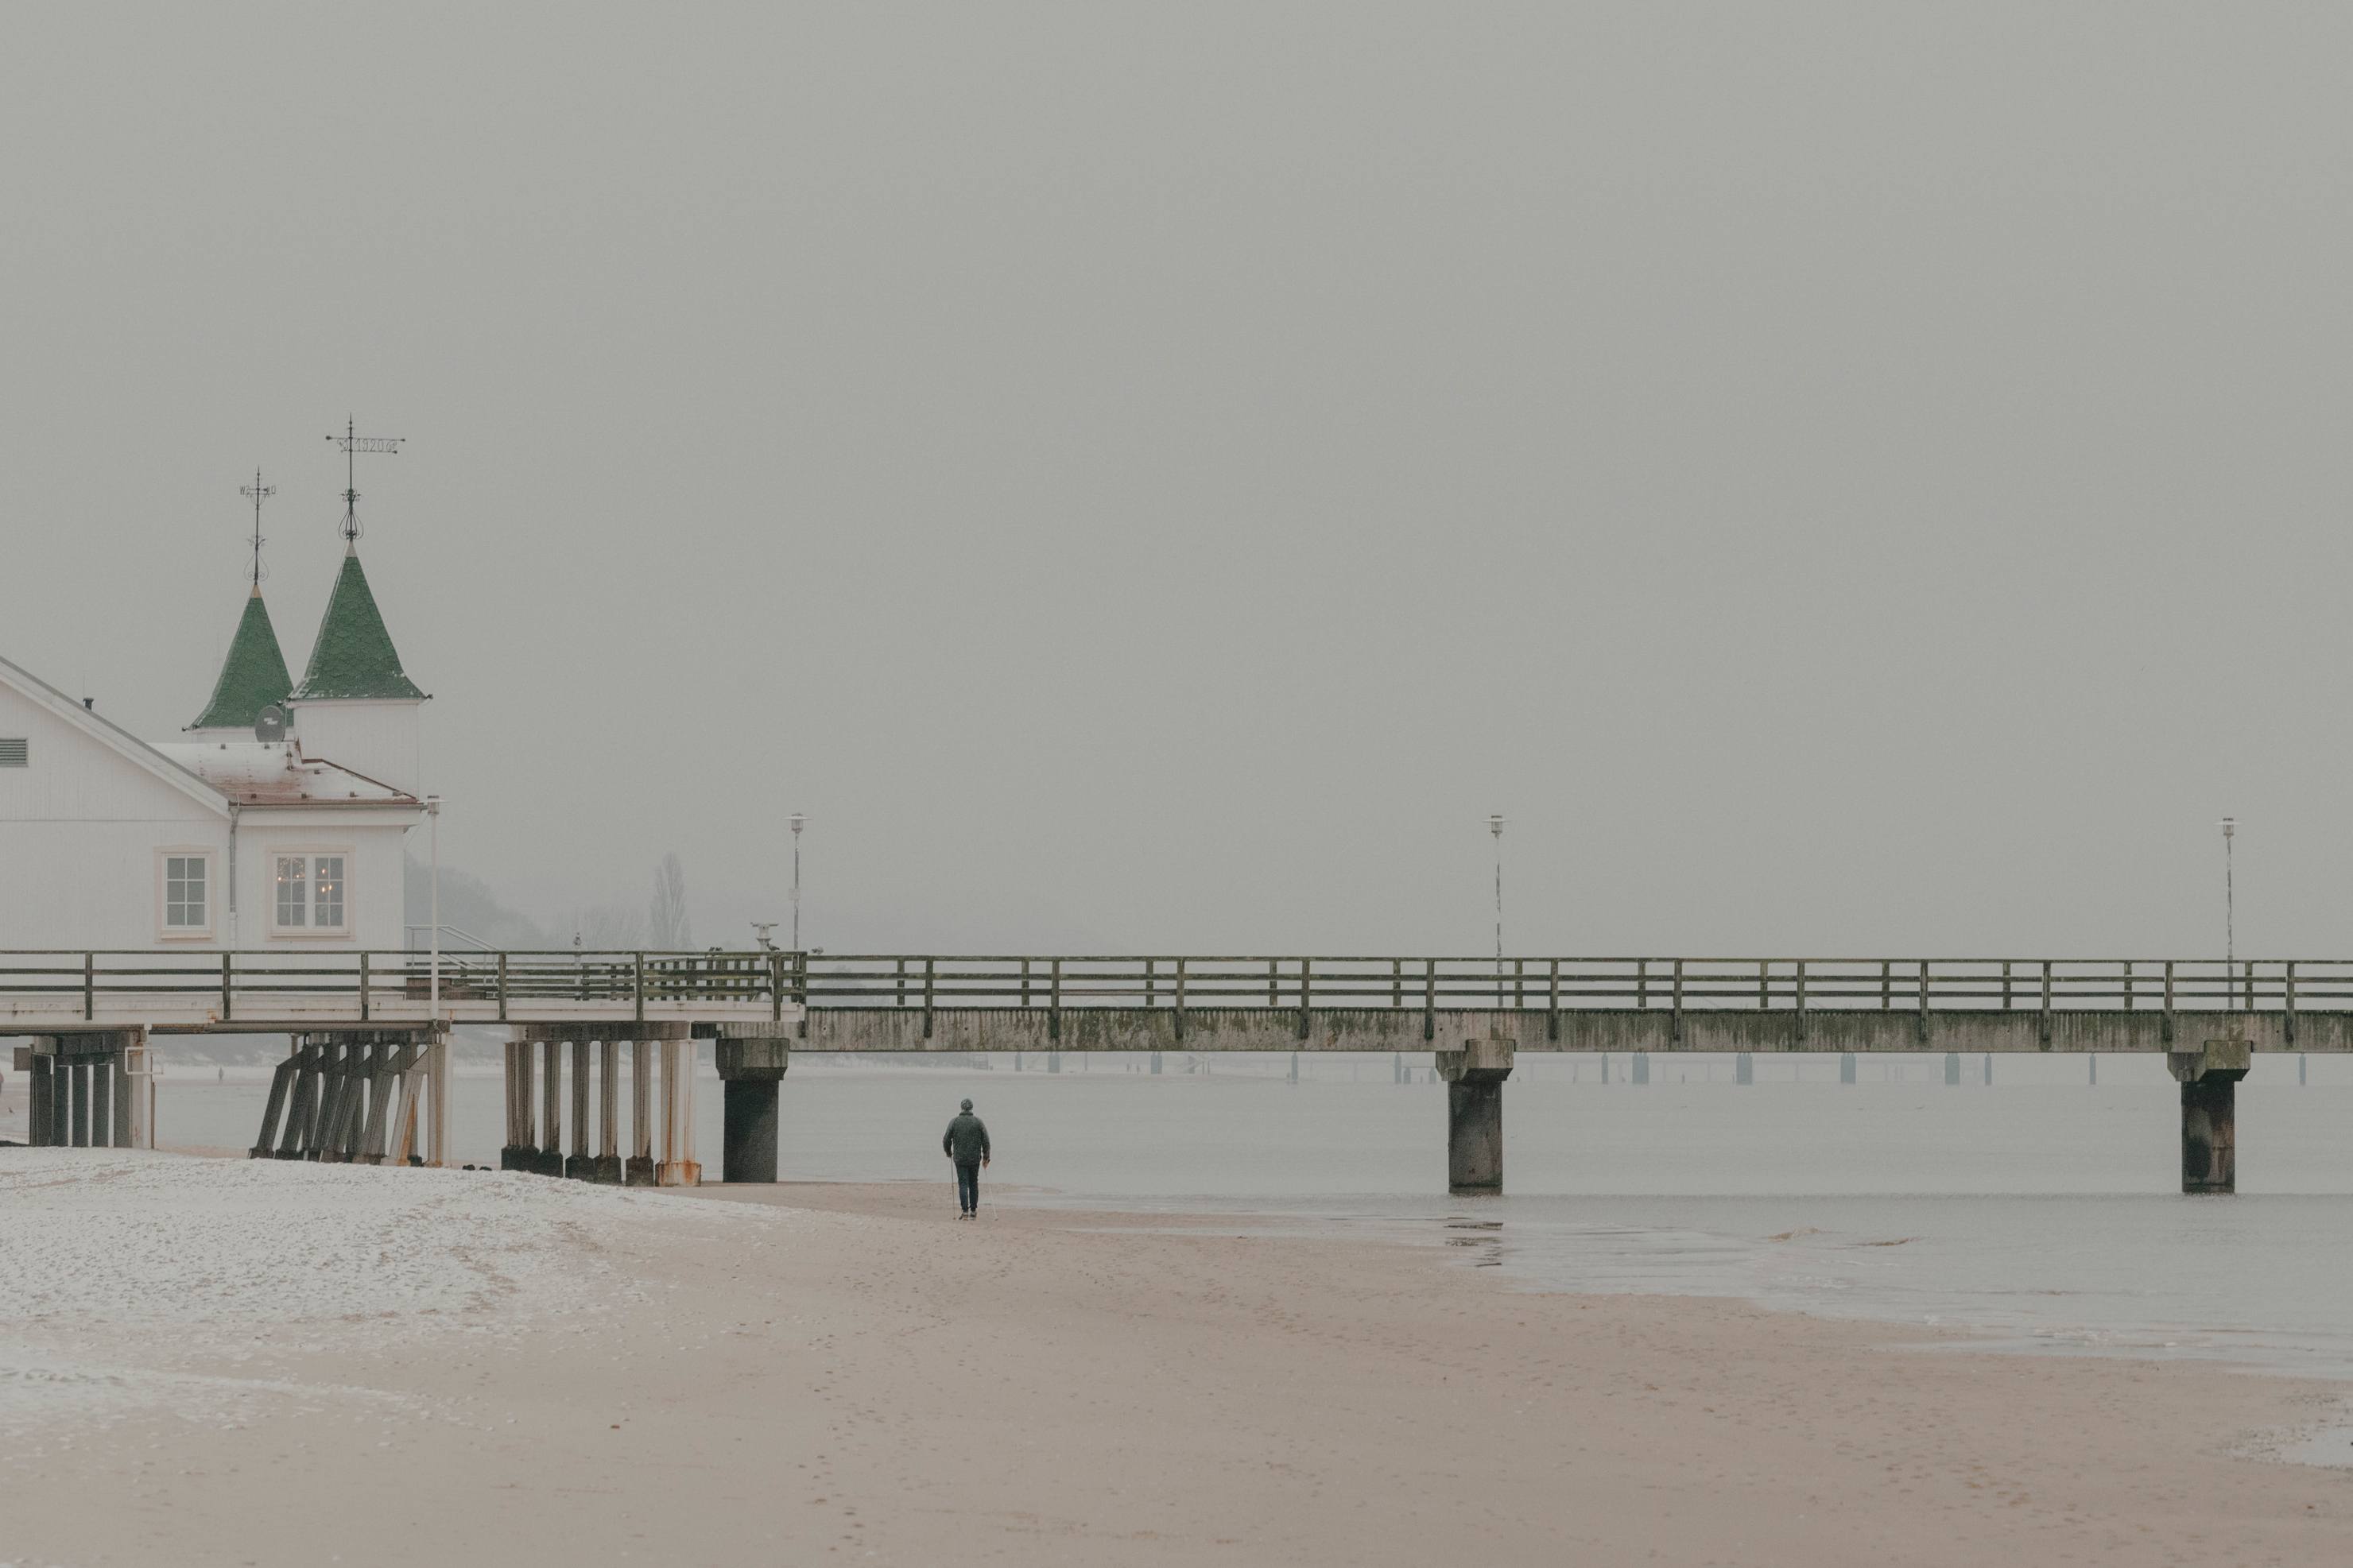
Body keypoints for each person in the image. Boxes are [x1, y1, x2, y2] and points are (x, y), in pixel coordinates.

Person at [941, 1098, 990, 1219]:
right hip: (974, 1158)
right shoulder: (978, 1122)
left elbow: (946, 1139)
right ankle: (973, 1211)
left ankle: (965, 1212)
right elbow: (986, 1141)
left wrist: (948, 1152)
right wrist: (986, 1157)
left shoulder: (955, 1121)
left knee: (963, 1183)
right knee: (974, 1183)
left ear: (962, 1108)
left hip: (960, 1158)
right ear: (971, 1108)